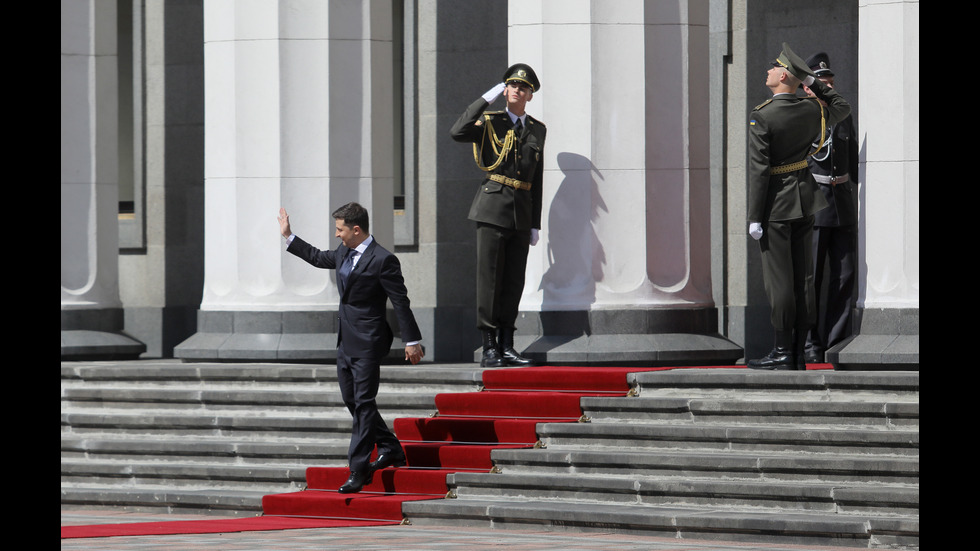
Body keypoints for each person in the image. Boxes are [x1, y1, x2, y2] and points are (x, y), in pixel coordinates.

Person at [277, 203, 424, 493]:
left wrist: (411, 340)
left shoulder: (383, 260)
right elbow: (319, 258)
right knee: (352, 400)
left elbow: (400, 301)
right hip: (345, 340)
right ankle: (390, 446)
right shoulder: (345, 251)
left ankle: (358, 470)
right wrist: (289, 236)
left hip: (368, 342)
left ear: (356, 230)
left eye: (340, 229)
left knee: (365, 403)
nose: (336, 235)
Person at [746, 43, 850, 370]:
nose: (767, 71)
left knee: (780, 280)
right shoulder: (812, 110)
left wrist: (754, 217)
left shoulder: (763, 115)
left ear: (783, 75)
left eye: (772, 67)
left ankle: (781, 351)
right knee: (803, 279)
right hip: (806, 200)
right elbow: (841, 105)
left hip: (776, 206)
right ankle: (799, 353)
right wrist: (812, 82)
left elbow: (760, 171)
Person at [450, 63, 546, 367]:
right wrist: (485, 99)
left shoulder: (537, 129)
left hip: (521, 213)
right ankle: (489, 345)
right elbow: (457, 131)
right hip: (492, 209)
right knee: (490, 280)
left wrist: (534, 223)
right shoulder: (490, 121)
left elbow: (537, 178)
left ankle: (507, 344)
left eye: (524, 88)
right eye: (513, 85)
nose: (518, 90)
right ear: (505, 90)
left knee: (513, 282)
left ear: (530, 96)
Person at [801, 52, 858, 364]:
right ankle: (812, 343)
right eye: (824, 84)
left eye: (832, 84)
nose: (830, 89)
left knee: (844, 276)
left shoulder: (843, 115)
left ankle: (836, 342)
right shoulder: (800, 116)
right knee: (812, 279)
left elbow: (852, 163)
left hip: (842, 204)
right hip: (814, 204)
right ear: (809, 88)